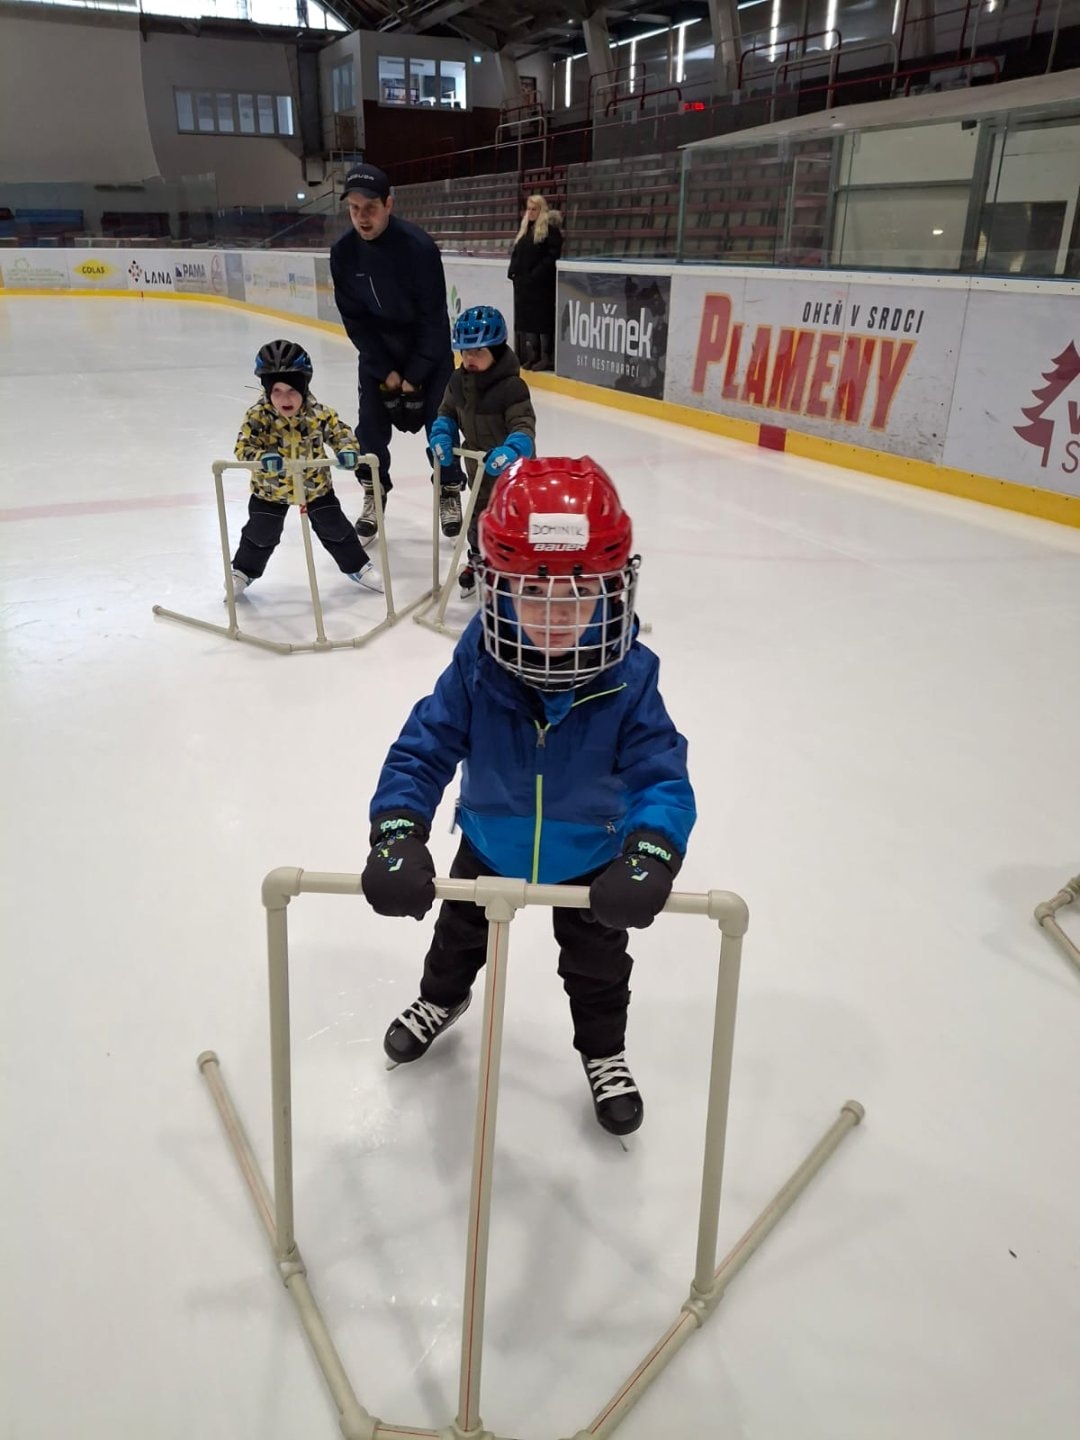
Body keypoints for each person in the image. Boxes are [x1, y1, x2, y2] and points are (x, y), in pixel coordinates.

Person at [360, 457, 696, 1137]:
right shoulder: (478, 667)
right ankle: (441, 1000)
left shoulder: (630, 677)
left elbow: (660, 774)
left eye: (578, 595)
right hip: (490, 845)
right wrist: (398, 830)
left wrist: (651, 852)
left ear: (612, 588)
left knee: (598, 969)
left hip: (593, 855)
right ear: (496, 586)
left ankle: (603, 1053)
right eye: (532, 594)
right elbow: (423, 748)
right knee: (456, 941)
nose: (554, 616)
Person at [329, 163, 464, 543]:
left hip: (429, 353)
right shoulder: (343, 253)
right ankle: (374, 491)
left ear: (388, 204)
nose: (362, 217)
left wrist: (414, 374)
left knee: (442, 427)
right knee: (370, 429)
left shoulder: (419, 249)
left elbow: (434, 317)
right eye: (354, 209)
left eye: (370, 208)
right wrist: (385, 369)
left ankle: (449, 489)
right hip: (379, 355)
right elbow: (354, 319)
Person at [231, 340, 382, 595]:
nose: (284, 398)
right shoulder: (258, 416)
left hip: (315, 487)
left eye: (292, 390)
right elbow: (243, 447)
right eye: (276, 391)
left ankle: (358, 566)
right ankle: (242, 572)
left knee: (336, 529)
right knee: (260, 534)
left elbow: (340, 433)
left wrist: (347, 451)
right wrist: (262, 458)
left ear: (304, 387)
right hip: (270, 490)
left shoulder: (319, 414)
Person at [428, 305, 537, 598]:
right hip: (478, 469)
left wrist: (511, 450)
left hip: (513, 473)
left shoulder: (512, 387)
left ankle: (517, 567)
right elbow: (447, 413)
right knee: (478, 517)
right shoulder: (457, 381)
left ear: (497, 351)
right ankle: (478, 559)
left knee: (514, 520)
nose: (469, 359)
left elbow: (524, 426)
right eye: (465, 352)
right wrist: (442, 433)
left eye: (478, 352)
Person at [508, 195, 563, 373]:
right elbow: (516, 253)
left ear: (541, 210)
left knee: (542, 322)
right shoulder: (525, 230)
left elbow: (551, 256)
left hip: (541, 287)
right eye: (529, 209)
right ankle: (534, 354)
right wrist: (513, 272)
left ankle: (545, 357)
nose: (530, 212)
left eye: (534, 209)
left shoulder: (550, 231)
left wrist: (535, 275)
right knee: (529, 321)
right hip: (525, 286)